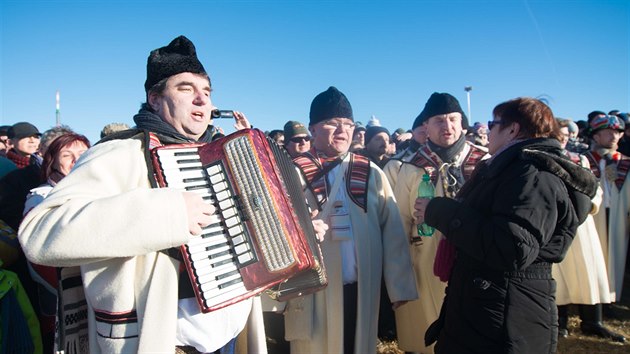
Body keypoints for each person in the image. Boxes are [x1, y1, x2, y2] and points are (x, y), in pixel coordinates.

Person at [19, 35, 325, 354]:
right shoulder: (121, 152)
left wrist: (296, 235)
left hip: (229, 339)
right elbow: (40, 232)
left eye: (206, 92)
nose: (201, 101)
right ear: (154, 98)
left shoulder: (223, 157)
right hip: (162, 341)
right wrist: (166, 213)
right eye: (185, 89)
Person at [418, 97, 596, 353]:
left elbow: (511, 247)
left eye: (493, 123)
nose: (487, 130)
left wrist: (440, 211)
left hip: (505, 315)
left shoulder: (532, 175)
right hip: (488, 306)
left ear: (512, 129)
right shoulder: (512, 168)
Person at [283, 86, 417, 354]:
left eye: (347, 124)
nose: (342, 131)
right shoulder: (290, 172)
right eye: (332, 124)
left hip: (362, 285)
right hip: (313, 289)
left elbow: (391, 229)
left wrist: (398, 286)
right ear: (313, 128)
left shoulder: (370, 172)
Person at [392, 92, 488, 354]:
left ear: (462, 123)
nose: (447, 127)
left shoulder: (485, 161)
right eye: (438, 121)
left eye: (453, 119)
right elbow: (400, 218)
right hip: (425, 257)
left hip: (476, 254)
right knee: (426, 328)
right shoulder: (411, 167)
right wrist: (399, 272)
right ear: (426, 126)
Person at [553, 119, 625, 342]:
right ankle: (560, 322)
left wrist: (586, 206)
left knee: (589, 272)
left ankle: (593, 322)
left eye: (566, 135)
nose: (564, 139)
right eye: (559, 135)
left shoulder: (580, 159)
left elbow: (595, 189)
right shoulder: (541, 157)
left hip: (582, 225)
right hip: (556, 224)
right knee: (560, 273)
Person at [22, 133, 91, 353]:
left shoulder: (93, 193)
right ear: (53, 161)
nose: (76, 159)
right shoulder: (41, 198)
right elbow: (38, 259)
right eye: (67, 154)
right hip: (60, 300)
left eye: (82, 153)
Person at [582, 114, 630, 313]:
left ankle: (613, 298)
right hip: (595, 216)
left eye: (617, 132)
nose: (614, 136)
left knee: (617, 256)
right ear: (596, 136)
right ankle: (595, 304)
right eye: (608, 132)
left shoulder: (625, 162)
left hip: (619, 215)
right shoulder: (585, 160)